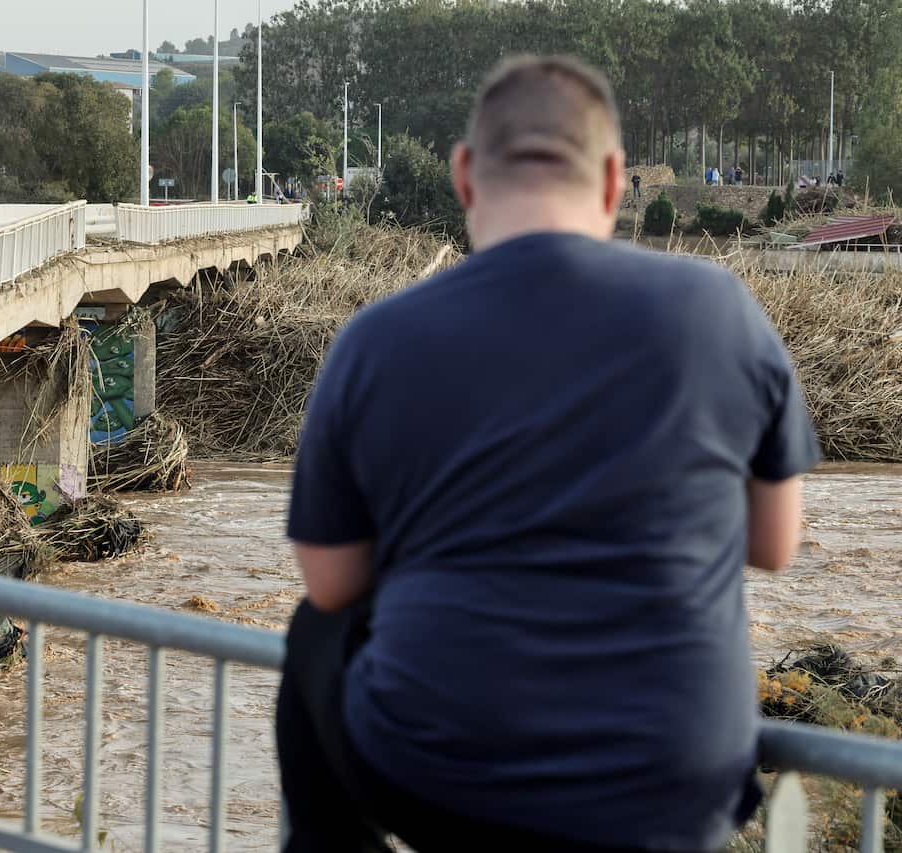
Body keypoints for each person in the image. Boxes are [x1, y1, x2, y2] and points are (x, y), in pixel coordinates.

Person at [279, 54, 820, 853]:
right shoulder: (721, 310)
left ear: (464, 176)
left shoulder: (378, 339)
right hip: (672, 785)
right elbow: (774, 544)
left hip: (443, 779)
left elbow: (330, 580)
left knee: (318, 629)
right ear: (613, 181)